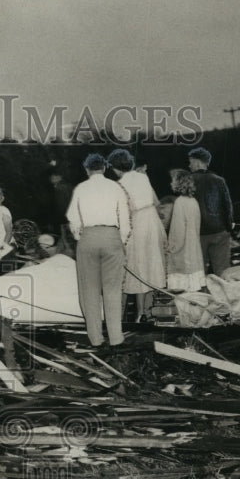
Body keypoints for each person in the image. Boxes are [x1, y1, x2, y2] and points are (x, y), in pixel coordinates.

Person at [66, 153, 131, 352]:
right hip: (112, 236)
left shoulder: (81, 188)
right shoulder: (115, 187)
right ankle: (116, 338)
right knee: (112, 290)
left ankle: (95, 339)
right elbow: (126, 219)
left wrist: (80, 237)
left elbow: (72, 218)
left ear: (87, 169)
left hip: (88, 238)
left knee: (90, 291)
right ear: (104, 168)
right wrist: (120, 239)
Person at [108, 149, 167, 323]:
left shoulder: (120, 184)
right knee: (151, 265)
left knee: (138, 267)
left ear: (117, 168)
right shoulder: (142, 177)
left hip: (138, 223)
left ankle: (140, 313)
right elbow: (155, 201)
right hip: (152, 220)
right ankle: (146, 312)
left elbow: (124, 210)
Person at [188, 146, 234, 275]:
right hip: (220, 231)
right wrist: (228, 227)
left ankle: (203, 295)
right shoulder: (219, 180)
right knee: (223, 271)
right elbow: (228, 206)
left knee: (199, 272)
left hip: (199, 233)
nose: (189, 165)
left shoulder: (189, 181)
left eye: (190, 162)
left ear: (197, 162)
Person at [166, 169, 206, 292]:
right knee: (193, 291)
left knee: (182, 291)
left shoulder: (179, 202)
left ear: (179, 183)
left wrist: (171, 248)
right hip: (193, 250)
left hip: (183, 253)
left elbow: (178, 231)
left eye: (173, 180)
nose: (170, 183)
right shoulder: (193, 201)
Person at [48, 168, 76, 258]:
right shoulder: (69, 186)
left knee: (67, 244)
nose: (50, 179)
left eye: (52, 176)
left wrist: (59, 222)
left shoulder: (60, 188)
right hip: (72, 219)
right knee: (70, 242)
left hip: (64, 220)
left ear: (58, 177)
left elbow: (61, 206)